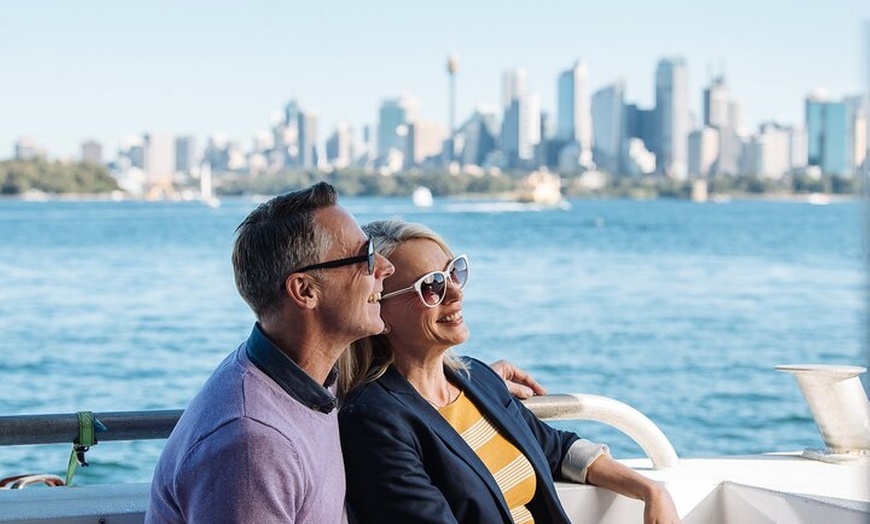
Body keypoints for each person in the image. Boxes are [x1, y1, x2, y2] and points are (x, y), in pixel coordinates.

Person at [146, 182, 542, 523]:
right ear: (305, 291)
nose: (384, 270)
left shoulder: (309, 386)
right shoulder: (253, 445)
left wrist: (472, 382)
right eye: (366, 257)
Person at [338, 219, 682, 524]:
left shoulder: (477, 380)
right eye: (431, 286)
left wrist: (650, 491)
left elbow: (556, 449)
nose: (455, 293)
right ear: (378, 309)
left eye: (453, 273)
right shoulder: (373, 420)